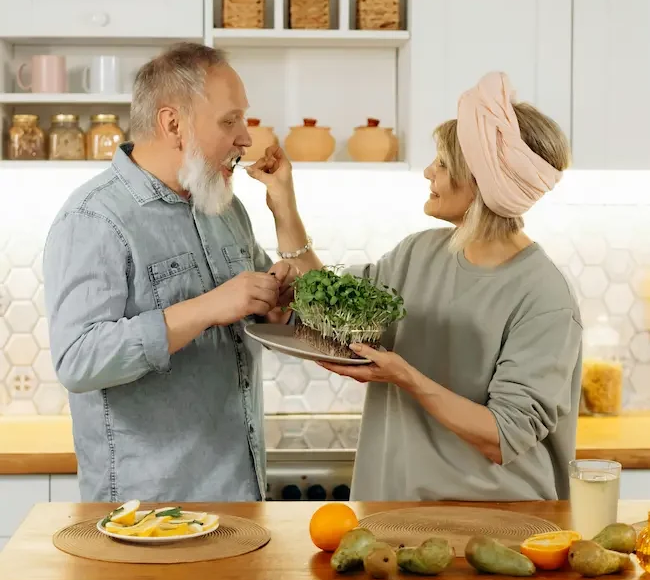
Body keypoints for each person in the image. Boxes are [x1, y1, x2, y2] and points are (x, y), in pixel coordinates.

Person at [248, 71, 582, 502]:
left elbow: (502, 436)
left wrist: (405, 376)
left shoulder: (544, 297)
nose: (429, 172)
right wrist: (283, 205)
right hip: (392, 512)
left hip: (493, 528)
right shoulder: (421, 253)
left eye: (442, 164)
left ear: (481, 182)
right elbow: (332, 308)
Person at [43, 42, 296, 502]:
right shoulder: (94, 218)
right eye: (229, 120)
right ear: (173, 124)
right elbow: (78, 361)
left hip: (240, 500)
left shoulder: (224, 208)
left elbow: (258, 308)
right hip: (147, 516)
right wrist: (206, 308)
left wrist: (272, 305)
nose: (245, 138)